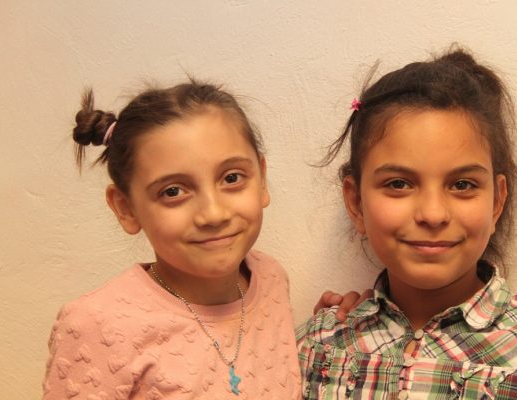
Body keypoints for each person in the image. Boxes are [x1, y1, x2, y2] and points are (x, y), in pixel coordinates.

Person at [297, 47, 517, 399]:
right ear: (356, 203)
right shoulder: (318, 343)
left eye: (462, 185)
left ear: (497, 201)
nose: (433, 214)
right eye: (399, 184)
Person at [43, 80, 358, 399]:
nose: (213, 214)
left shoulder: (270, 278)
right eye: (173, 191)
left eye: (232, 178)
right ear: (126, 208)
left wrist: (335, 327)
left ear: (262, 180)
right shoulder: (96, 325)